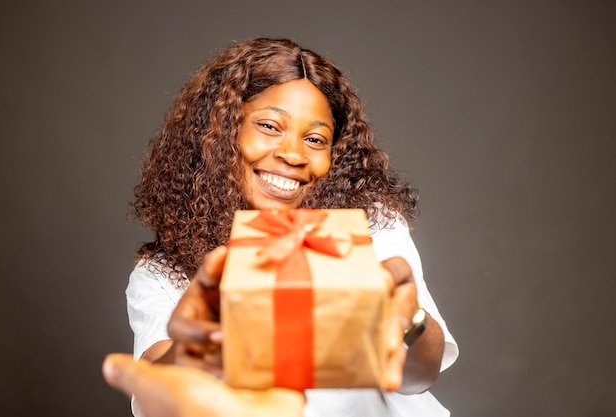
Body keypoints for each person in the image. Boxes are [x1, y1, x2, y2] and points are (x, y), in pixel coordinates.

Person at [120, 37, 459, 417]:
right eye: (269, 126)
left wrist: (408, 317)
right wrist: (194, 351)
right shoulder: (165, 273)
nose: (294, 154)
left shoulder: (367, 228)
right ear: (218, 134)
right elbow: (158, 401)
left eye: (315, 139)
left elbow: (418, 378)